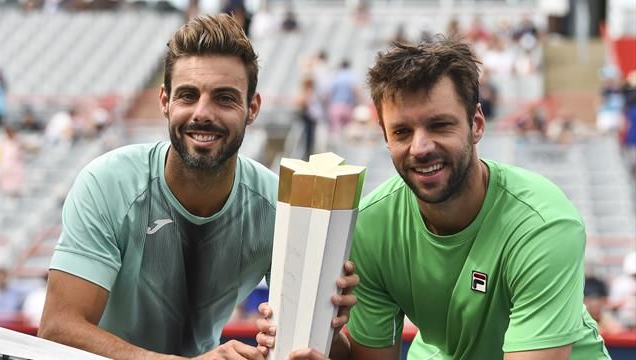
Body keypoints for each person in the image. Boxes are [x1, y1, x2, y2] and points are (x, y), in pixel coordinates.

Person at [257, 36, 609, 359]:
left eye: (440, 125)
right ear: (385, 137)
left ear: (477, 125)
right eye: (402, 132)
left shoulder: (543, 223)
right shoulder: (371, 225)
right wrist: (326, 344)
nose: (420, 148)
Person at [38, 14, 357, 360]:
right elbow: (58, 329)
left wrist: (327, 328)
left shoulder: (278, 207)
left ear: (252, 108)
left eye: (224, 98)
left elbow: (322, 352)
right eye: (188, 96)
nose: (202, 113)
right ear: (165, 102)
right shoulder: (107, 183)